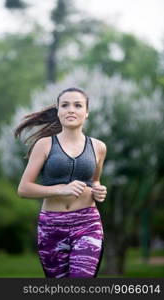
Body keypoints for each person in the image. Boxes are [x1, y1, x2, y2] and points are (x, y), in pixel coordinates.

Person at [14, 87, 107, 278]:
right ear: (58, 112)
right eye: (65, 105)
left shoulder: (98, 147)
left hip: (87, 223)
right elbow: (24, 188)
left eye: (78, 105)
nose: (71, 109)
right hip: (52, 226)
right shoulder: (44, 144)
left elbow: (95, 181)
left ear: (86, 113)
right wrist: (60, 190)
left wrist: (99, 190)